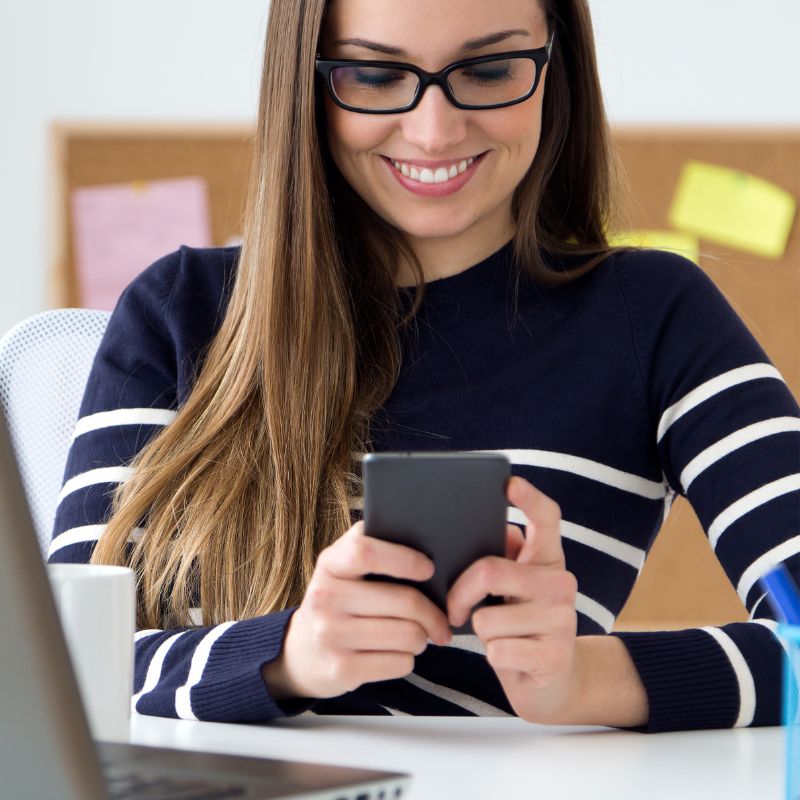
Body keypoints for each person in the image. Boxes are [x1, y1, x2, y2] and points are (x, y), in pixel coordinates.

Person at [49, 0, 800, 732]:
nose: (434, 132)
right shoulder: (177, 310)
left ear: (555, 64)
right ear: (306, 82)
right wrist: (291, 657)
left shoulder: (653, 315)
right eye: (375, 78)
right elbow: (63, 669)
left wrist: (579, 679)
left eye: (491, 68)